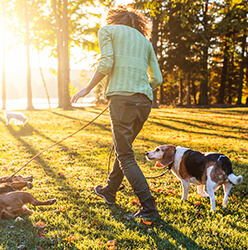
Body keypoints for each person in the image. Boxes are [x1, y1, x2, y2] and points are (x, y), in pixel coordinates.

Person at [71, 6, 162, 219]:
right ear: (137, 24)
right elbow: (157, 79)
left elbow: (107, 62)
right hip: (144, 101)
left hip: (122, 100)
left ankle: (149, 208)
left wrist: (87, 88)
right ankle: (110, 190)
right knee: (124, 148)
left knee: (125, 154)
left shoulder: (108, 31)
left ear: (114, 19)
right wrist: (140, 87)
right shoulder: (145, 42)